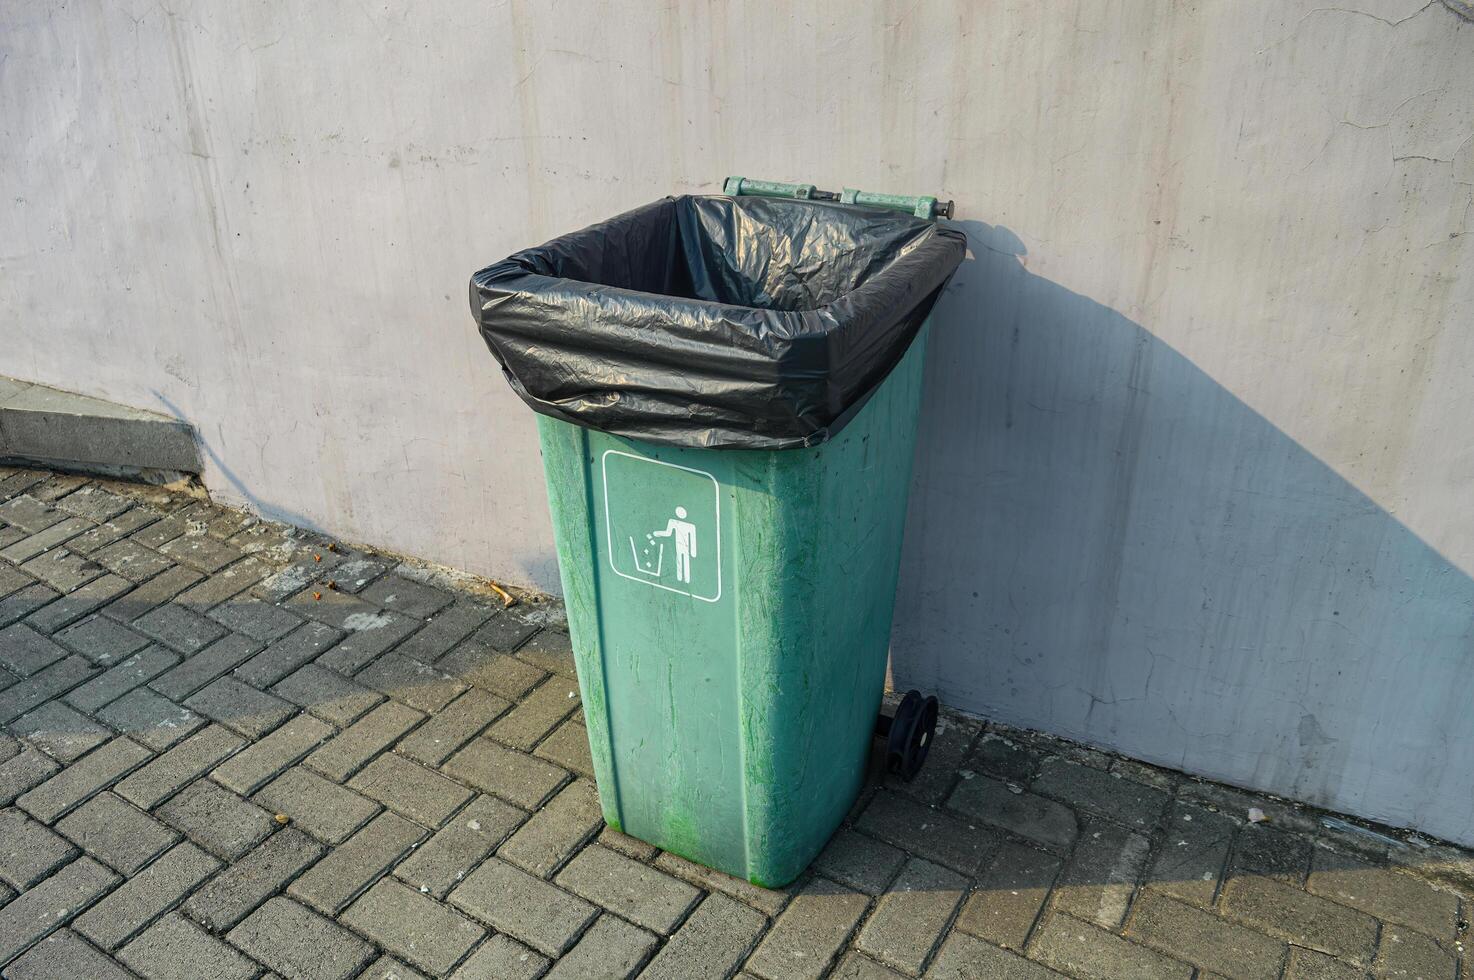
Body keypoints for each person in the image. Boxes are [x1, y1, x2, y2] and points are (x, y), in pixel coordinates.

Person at [652, 506, 697, 583]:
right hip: (678, 546)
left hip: (686, 548)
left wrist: (693, 552)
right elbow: (668, 533)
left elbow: (692, 538)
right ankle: (680, 578)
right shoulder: (673, 522)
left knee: (685, 561)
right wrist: (658, 533)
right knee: (679, 560)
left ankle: (687, 579)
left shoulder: (690, 526)